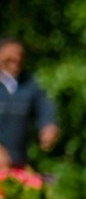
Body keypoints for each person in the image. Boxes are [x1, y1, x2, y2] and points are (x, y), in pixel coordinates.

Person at [0, 38, 58, 171]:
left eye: (19, 59)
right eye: (9, 59)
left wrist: (48, 126)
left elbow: (44, 107)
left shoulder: (30, 85)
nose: (15, 63)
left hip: (18, 163)